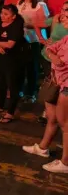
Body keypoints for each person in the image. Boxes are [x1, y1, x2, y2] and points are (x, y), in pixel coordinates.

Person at [30, 15, 68, 173]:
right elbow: (50, 48)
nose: (62, 16)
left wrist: (57, 61)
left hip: (65, 84)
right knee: (59, 120)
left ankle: (65, 163)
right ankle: (45, 148)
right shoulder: (66, 38)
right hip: (60, 82)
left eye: (67, 13)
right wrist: (55, 57)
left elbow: (60, 59)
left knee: (65, 124)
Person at [0, 5, 25, 123]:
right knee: (0, 82)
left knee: (12, 85)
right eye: (2, 13)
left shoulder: (16, 27)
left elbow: (10, 44)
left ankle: (10, 112)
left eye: (6, 14)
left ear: (13, 16)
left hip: (13, 60)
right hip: (0, 59)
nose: (2, 16)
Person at [17, 0, 49, 101]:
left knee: (32, 66)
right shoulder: (20, 4)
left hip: (35, 39)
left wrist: (26, 24)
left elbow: (44, 24)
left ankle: (31, 92)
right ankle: (20, 89)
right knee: (21, 66)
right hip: (22, 39)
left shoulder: (40, 5)